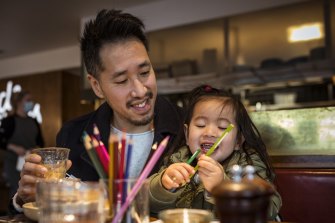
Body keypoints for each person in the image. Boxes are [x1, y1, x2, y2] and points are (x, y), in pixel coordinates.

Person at [10, 9, 183, 213]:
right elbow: (55, 210)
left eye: (145, 73)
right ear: (97, 86)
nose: (140, 90)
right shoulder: (73, 135)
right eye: (121, 80)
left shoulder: (189, 127)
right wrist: (25, 198)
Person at [149, 85, 282, 220]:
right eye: (200, 125)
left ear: (238, 141)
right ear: (187, 133)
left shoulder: (248, 165)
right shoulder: (178, 159)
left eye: (222, 127)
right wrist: (163, 186)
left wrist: (223, 187)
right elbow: (146, 202)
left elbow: (270, 207)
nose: (209, 133)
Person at [0, 91, 44, 199]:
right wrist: (14, 147)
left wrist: (35, 149)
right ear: (19, 102)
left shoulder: (34, 121)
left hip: (31, 162)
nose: (31, 103)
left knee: (32, 190)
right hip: (13, 164)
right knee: (16, 191)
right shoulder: (9, 121)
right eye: (28, 100)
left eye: (31, 101)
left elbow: (41, 142)